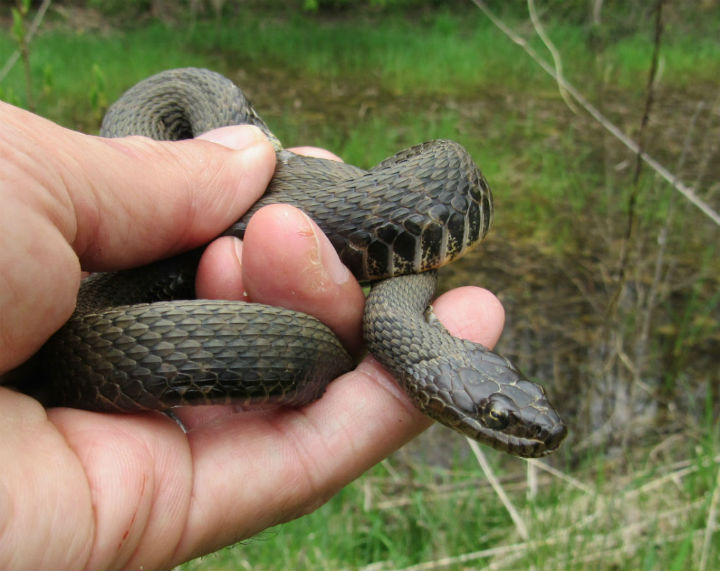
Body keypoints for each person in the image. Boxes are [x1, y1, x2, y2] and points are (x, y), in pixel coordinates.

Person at [0, 100, 507, 569]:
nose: (503, 425)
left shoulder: (400, 308)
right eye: (495, 415)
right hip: (93, 327)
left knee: (281, 255)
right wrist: (191, 175)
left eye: (498, 413)